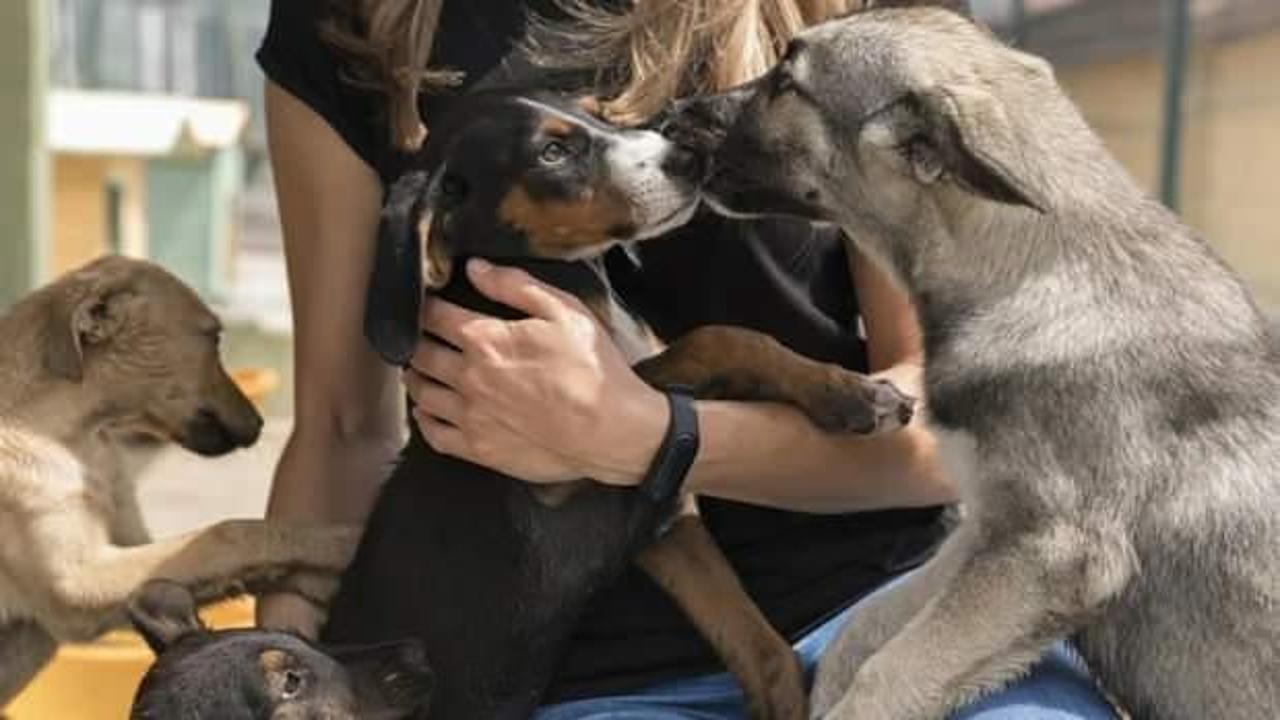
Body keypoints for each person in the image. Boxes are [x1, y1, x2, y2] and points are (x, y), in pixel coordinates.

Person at [254, 1, 1117, 717]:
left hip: (892, 618)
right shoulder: (353, 24)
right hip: (586, 683)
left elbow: (963, 420)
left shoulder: (866, 23)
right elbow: (342, 430)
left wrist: (651, 438)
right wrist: (276, 677)